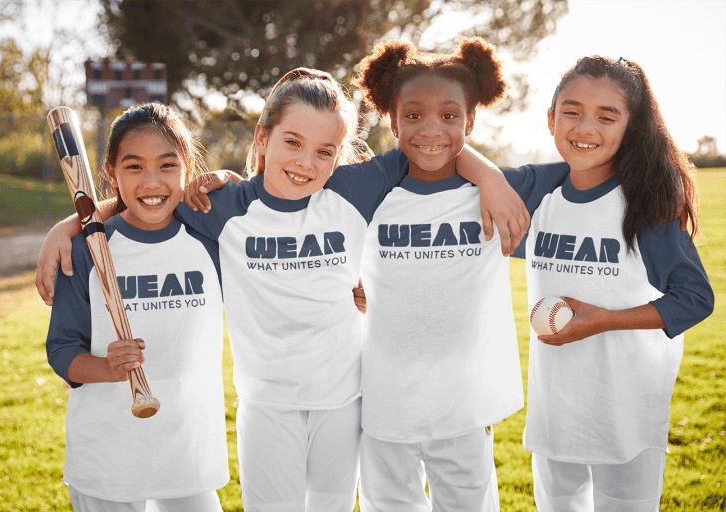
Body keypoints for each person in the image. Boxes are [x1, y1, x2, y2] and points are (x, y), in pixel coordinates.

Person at [38, 69, 527, 512]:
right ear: (264, 136)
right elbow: (147, 199)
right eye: (292, 142)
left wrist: (490, 177)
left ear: (340, 154)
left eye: (324, 151)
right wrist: (74, 224)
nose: (305, 162)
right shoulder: (223, 206)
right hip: (267, 405)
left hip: (344, 400)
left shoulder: (352, 191)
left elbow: (432, 142)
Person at [349, 37, 571, 512]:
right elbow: (289, 183)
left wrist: (489, 176)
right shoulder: (367, 190)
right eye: (413, 115)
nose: (431, 128)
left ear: (471, 120)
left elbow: (596, 168)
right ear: (391, 119)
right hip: (383, 399)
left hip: (464, 404)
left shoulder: (506, 190)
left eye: (450, 116)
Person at [519, 55, 714, 511]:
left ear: (632, 127)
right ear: (550, 120)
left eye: (607, 116)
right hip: (554, 409)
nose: (585, 127)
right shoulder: (537, 191)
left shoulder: (645, 205)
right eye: (572, 111)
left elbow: (695, 299)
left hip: (625, 408)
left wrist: (602, 320)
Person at [45, 103, 230, 511]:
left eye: (167, 165)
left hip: (188, 444)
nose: (152, 182)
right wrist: (106, 369)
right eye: (134, 167)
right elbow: (61, 351)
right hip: (108, 454)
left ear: (188, 168)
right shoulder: (85, 250)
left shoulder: (210, 239)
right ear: (110, 174)